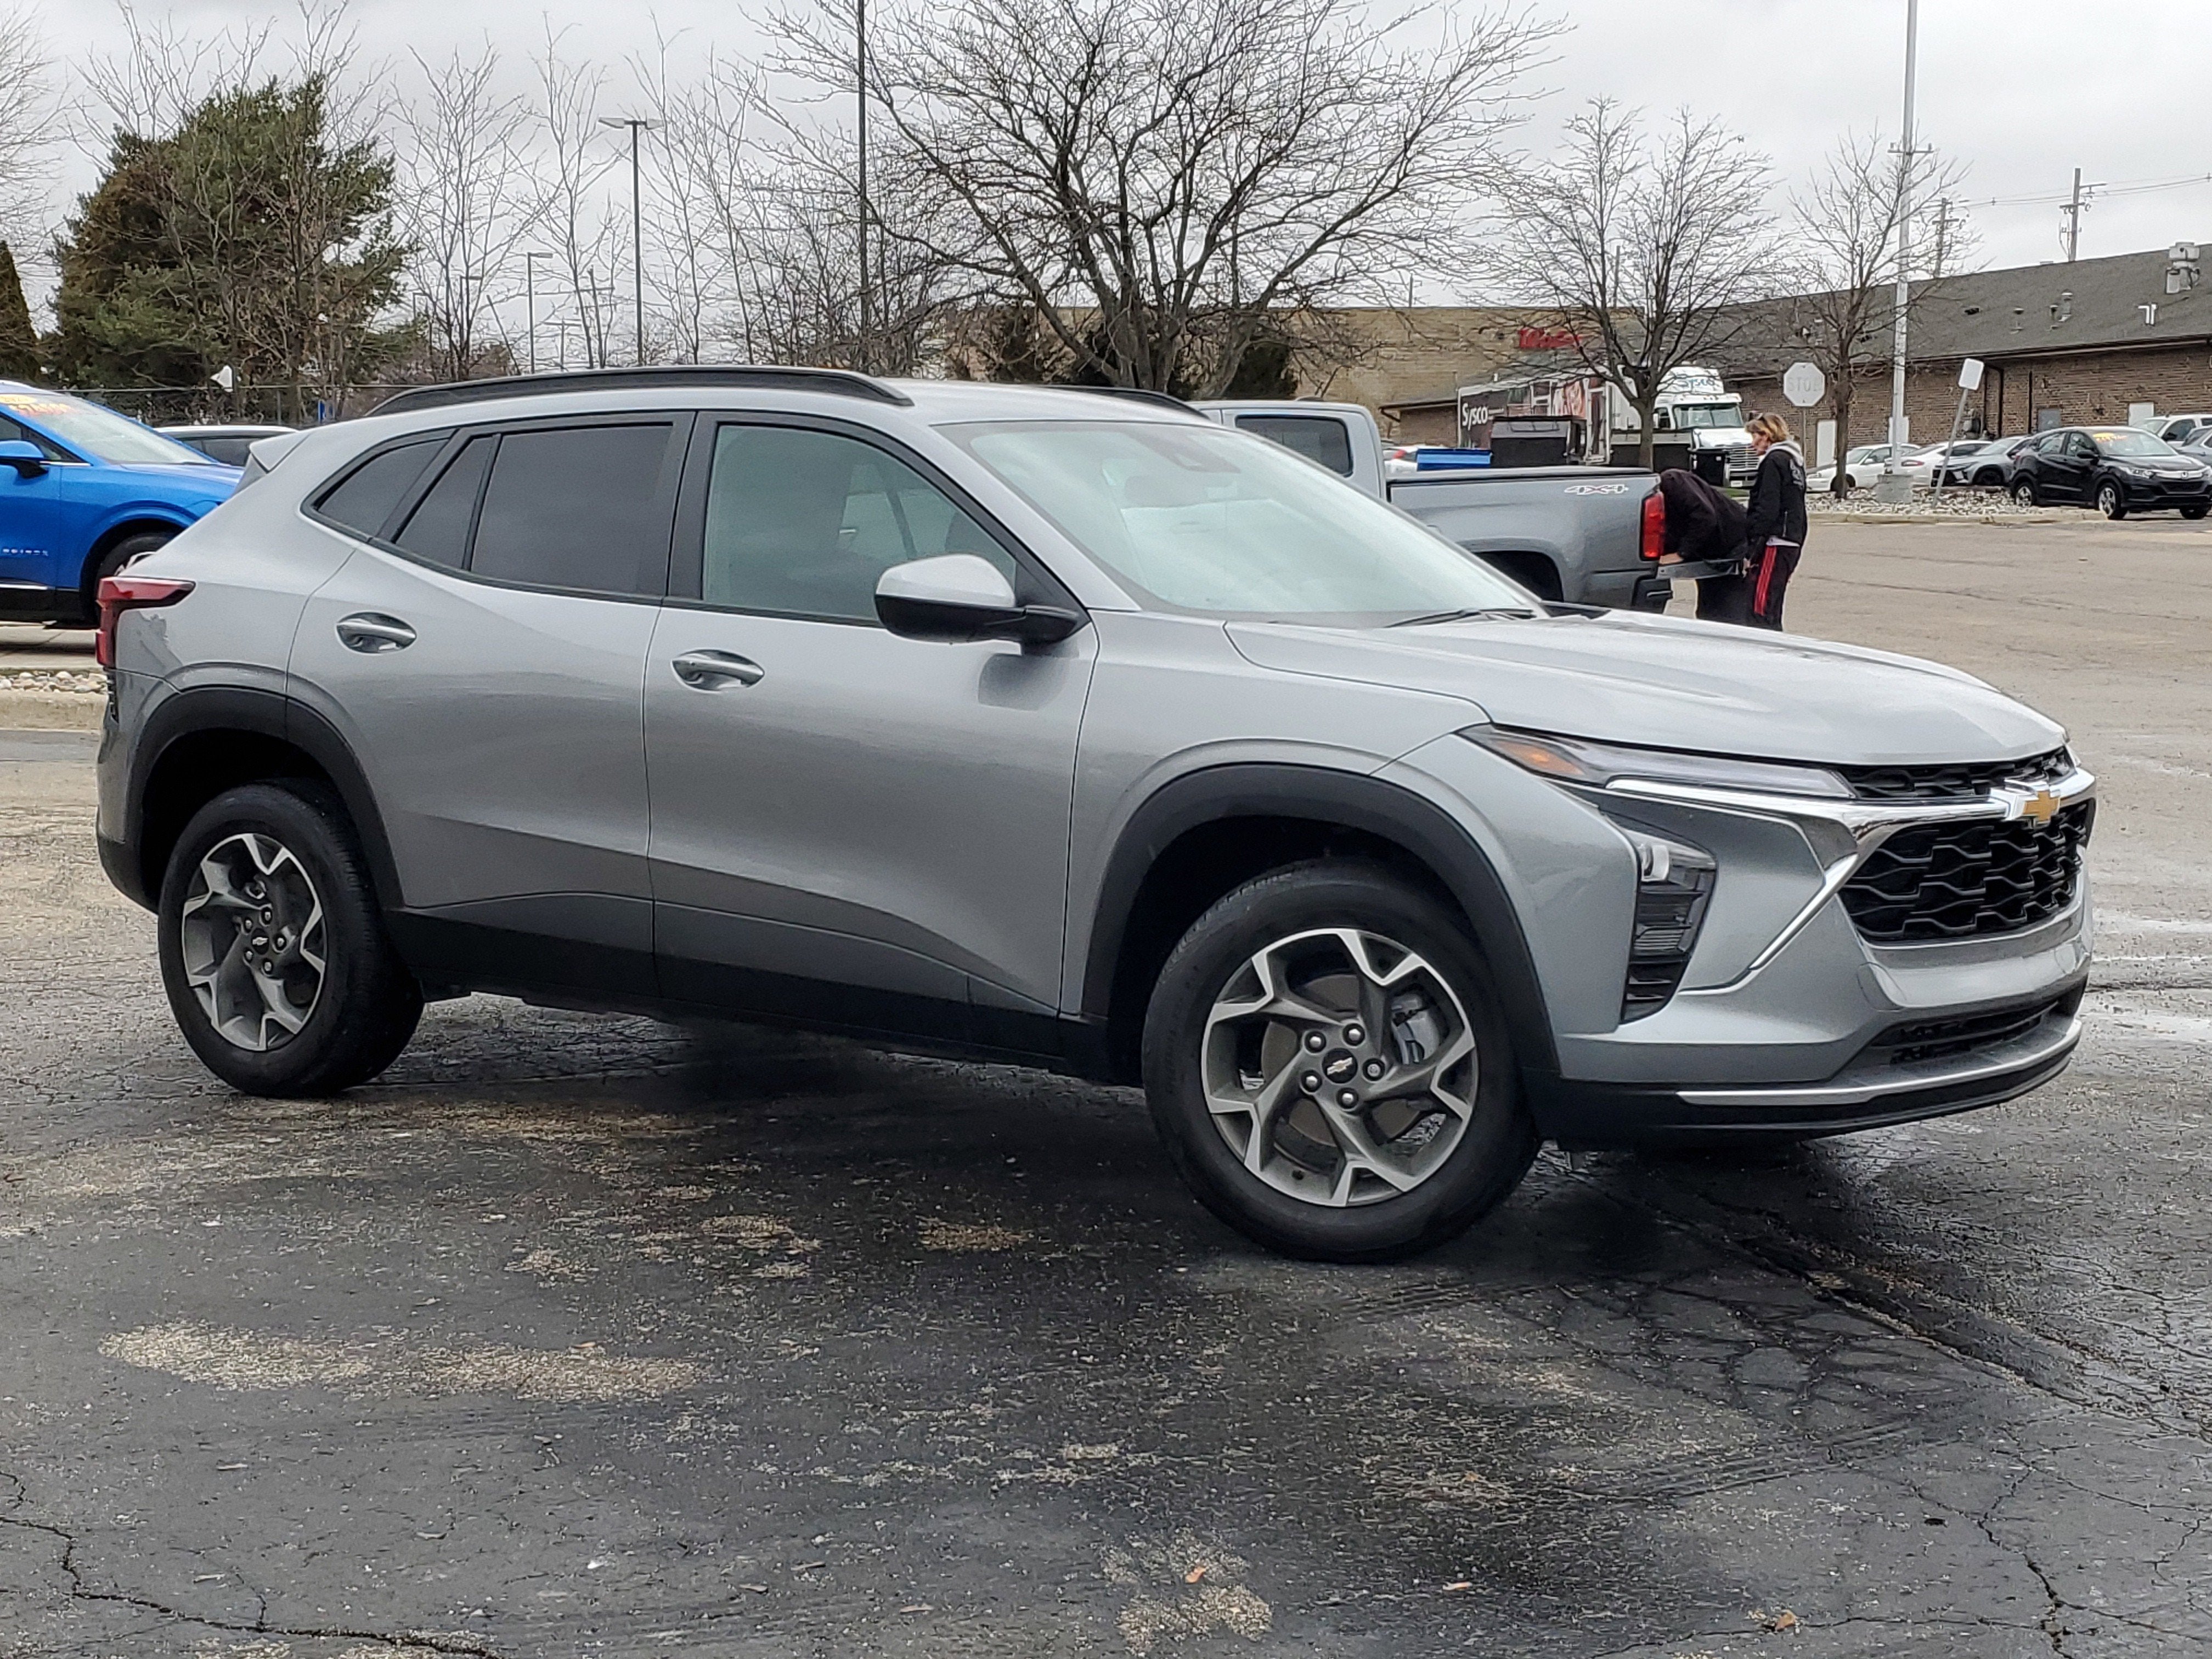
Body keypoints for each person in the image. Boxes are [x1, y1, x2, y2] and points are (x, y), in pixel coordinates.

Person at [1655, 465, 1751, 624]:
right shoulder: (1670, 491)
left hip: (1733, 541)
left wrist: (1681, 554)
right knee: (1710, 608)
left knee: (1727, 607)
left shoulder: (1672, 482)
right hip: (1713, 549)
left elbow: (1705, 518)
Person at [1741, 412, 1808, 630]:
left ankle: (1763, 653)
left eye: (1755, 437)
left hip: (1775, 542)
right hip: (1792, 541)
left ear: (1767, 435)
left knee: (1761, 608)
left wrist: (1753, 550)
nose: (1753, 444)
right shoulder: (1794, 462)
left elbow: (1767, 508)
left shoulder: (1773, 461)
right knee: (1774, 605)